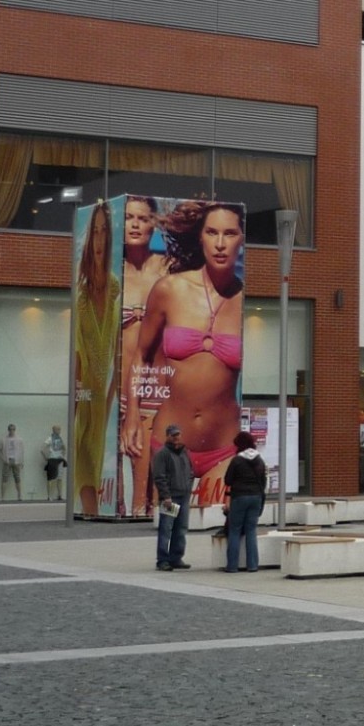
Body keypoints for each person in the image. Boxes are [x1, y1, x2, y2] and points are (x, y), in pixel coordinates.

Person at [136, 201, 246, 508]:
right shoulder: (169, 289)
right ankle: (171, 559)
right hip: (170, 442)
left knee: (213, 531)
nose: (221, 244)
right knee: (169, 531)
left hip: (224, 446)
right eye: (212, 233)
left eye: (230, 233)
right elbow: (141, 355)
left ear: (242, 239)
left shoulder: (247, 302)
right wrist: (132, 415)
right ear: (200, 237)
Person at [118, 196, 170, 517]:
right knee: (128, 465)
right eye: (128, 217)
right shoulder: (113, 271)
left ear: (154, 224)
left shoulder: (168, 269)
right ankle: (138, 513)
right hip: (119, 385)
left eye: (142, 218)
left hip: (157, 382)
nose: (135, 224)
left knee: (156, 466)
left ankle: (160, 519)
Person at [72, 204, 121, 516]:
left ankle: (92, 514)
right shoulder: (81, 292)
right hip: (85, 392)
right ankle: (89, 513)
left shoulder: (116, 287)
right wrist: (76, 402)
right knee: (82, 456)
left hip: (104, 395)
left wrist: (109, 397)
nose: (99, 239)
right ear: (89, 237)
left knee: (95, 456)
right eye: (95, 231)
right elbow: (78, 354)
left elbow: (119, 351)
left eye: (104, 231)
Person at [222, 431, 268, 572]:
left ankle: (232, 566)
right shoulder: (259, 460)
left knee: (235, 530)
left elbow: (228, 480)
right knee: (251, 531)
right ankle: (253, 565)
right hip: (256, 497)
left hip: (240, 497)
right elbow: (263, 481)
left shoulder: (237, 460)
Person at [151, 423, 194, 570]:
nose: (176, 438)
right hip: (170, 498)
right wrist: (165, 496)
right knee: (166, 529)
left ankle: (176, 557)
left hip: (184, 496)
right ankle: (162, 560)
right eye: (173, 435)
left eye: (178, 435)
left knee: (181, 528)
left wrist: (189, 488)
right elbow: (159, 477)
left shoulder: (184, 452)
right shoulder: (162, 453)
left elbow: (191, 472)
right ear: (167, 436)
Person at [0, 423, 24, 500]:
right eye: (10, 429)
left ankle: (19, 495)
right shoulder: (3, 439)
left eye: (13, 429)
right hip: (7, 460)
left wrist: (22, 461)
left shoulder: (19, 439)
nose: (12, 431)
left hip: (16, 461)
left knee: (17, 478)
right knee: (4, 478)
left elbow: (22, 451)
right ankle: (2, 497)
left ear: (15, 430)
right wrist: (3, 459)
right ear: (8, 430)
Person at [42, 425, 67, 501]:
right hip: (52, 460)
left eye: (60, 429)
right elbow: (42, 449)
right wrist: (46, 457)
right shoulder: (50, 439)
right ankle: (49, 496)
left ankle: (60, 495)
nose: (59, 430)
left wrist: (63, 454)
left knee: (60, 478)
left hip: (60, 460)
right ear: (53, 430)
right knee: (51, 479)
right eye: (58, 429)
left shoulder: (60, 439)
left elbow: (64, 448)